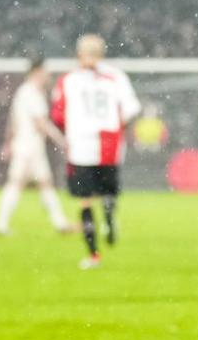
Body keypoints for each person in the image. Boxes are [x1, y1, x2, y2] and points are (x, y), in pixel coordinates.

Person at [53, 35, 141, 267]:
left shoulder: (68, 80)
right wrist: (118, 126)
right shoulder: (116, 76)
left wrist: (73, 127)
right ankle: (110, 216)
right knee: (107, 192)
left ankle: (93, 254)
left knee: (85, 200)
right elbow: (131, 109)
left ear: (79, 54)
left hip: (81, 146)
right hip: (109, 144)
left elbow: (58, 115)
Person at [0, 61, 66, 237]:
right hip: (28, 146)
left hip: (28, 145)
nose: (48, 76)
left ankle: (60, 222)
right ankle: (0, 224)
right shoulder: (31, 93)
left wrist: (8, 143)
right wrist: (61, 140)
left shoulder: (24, 92)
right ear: (37, 72)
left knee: (44, 183)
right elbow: (41, 123)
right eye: (45, 72)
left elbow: (13, 121)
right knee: (17, 182)